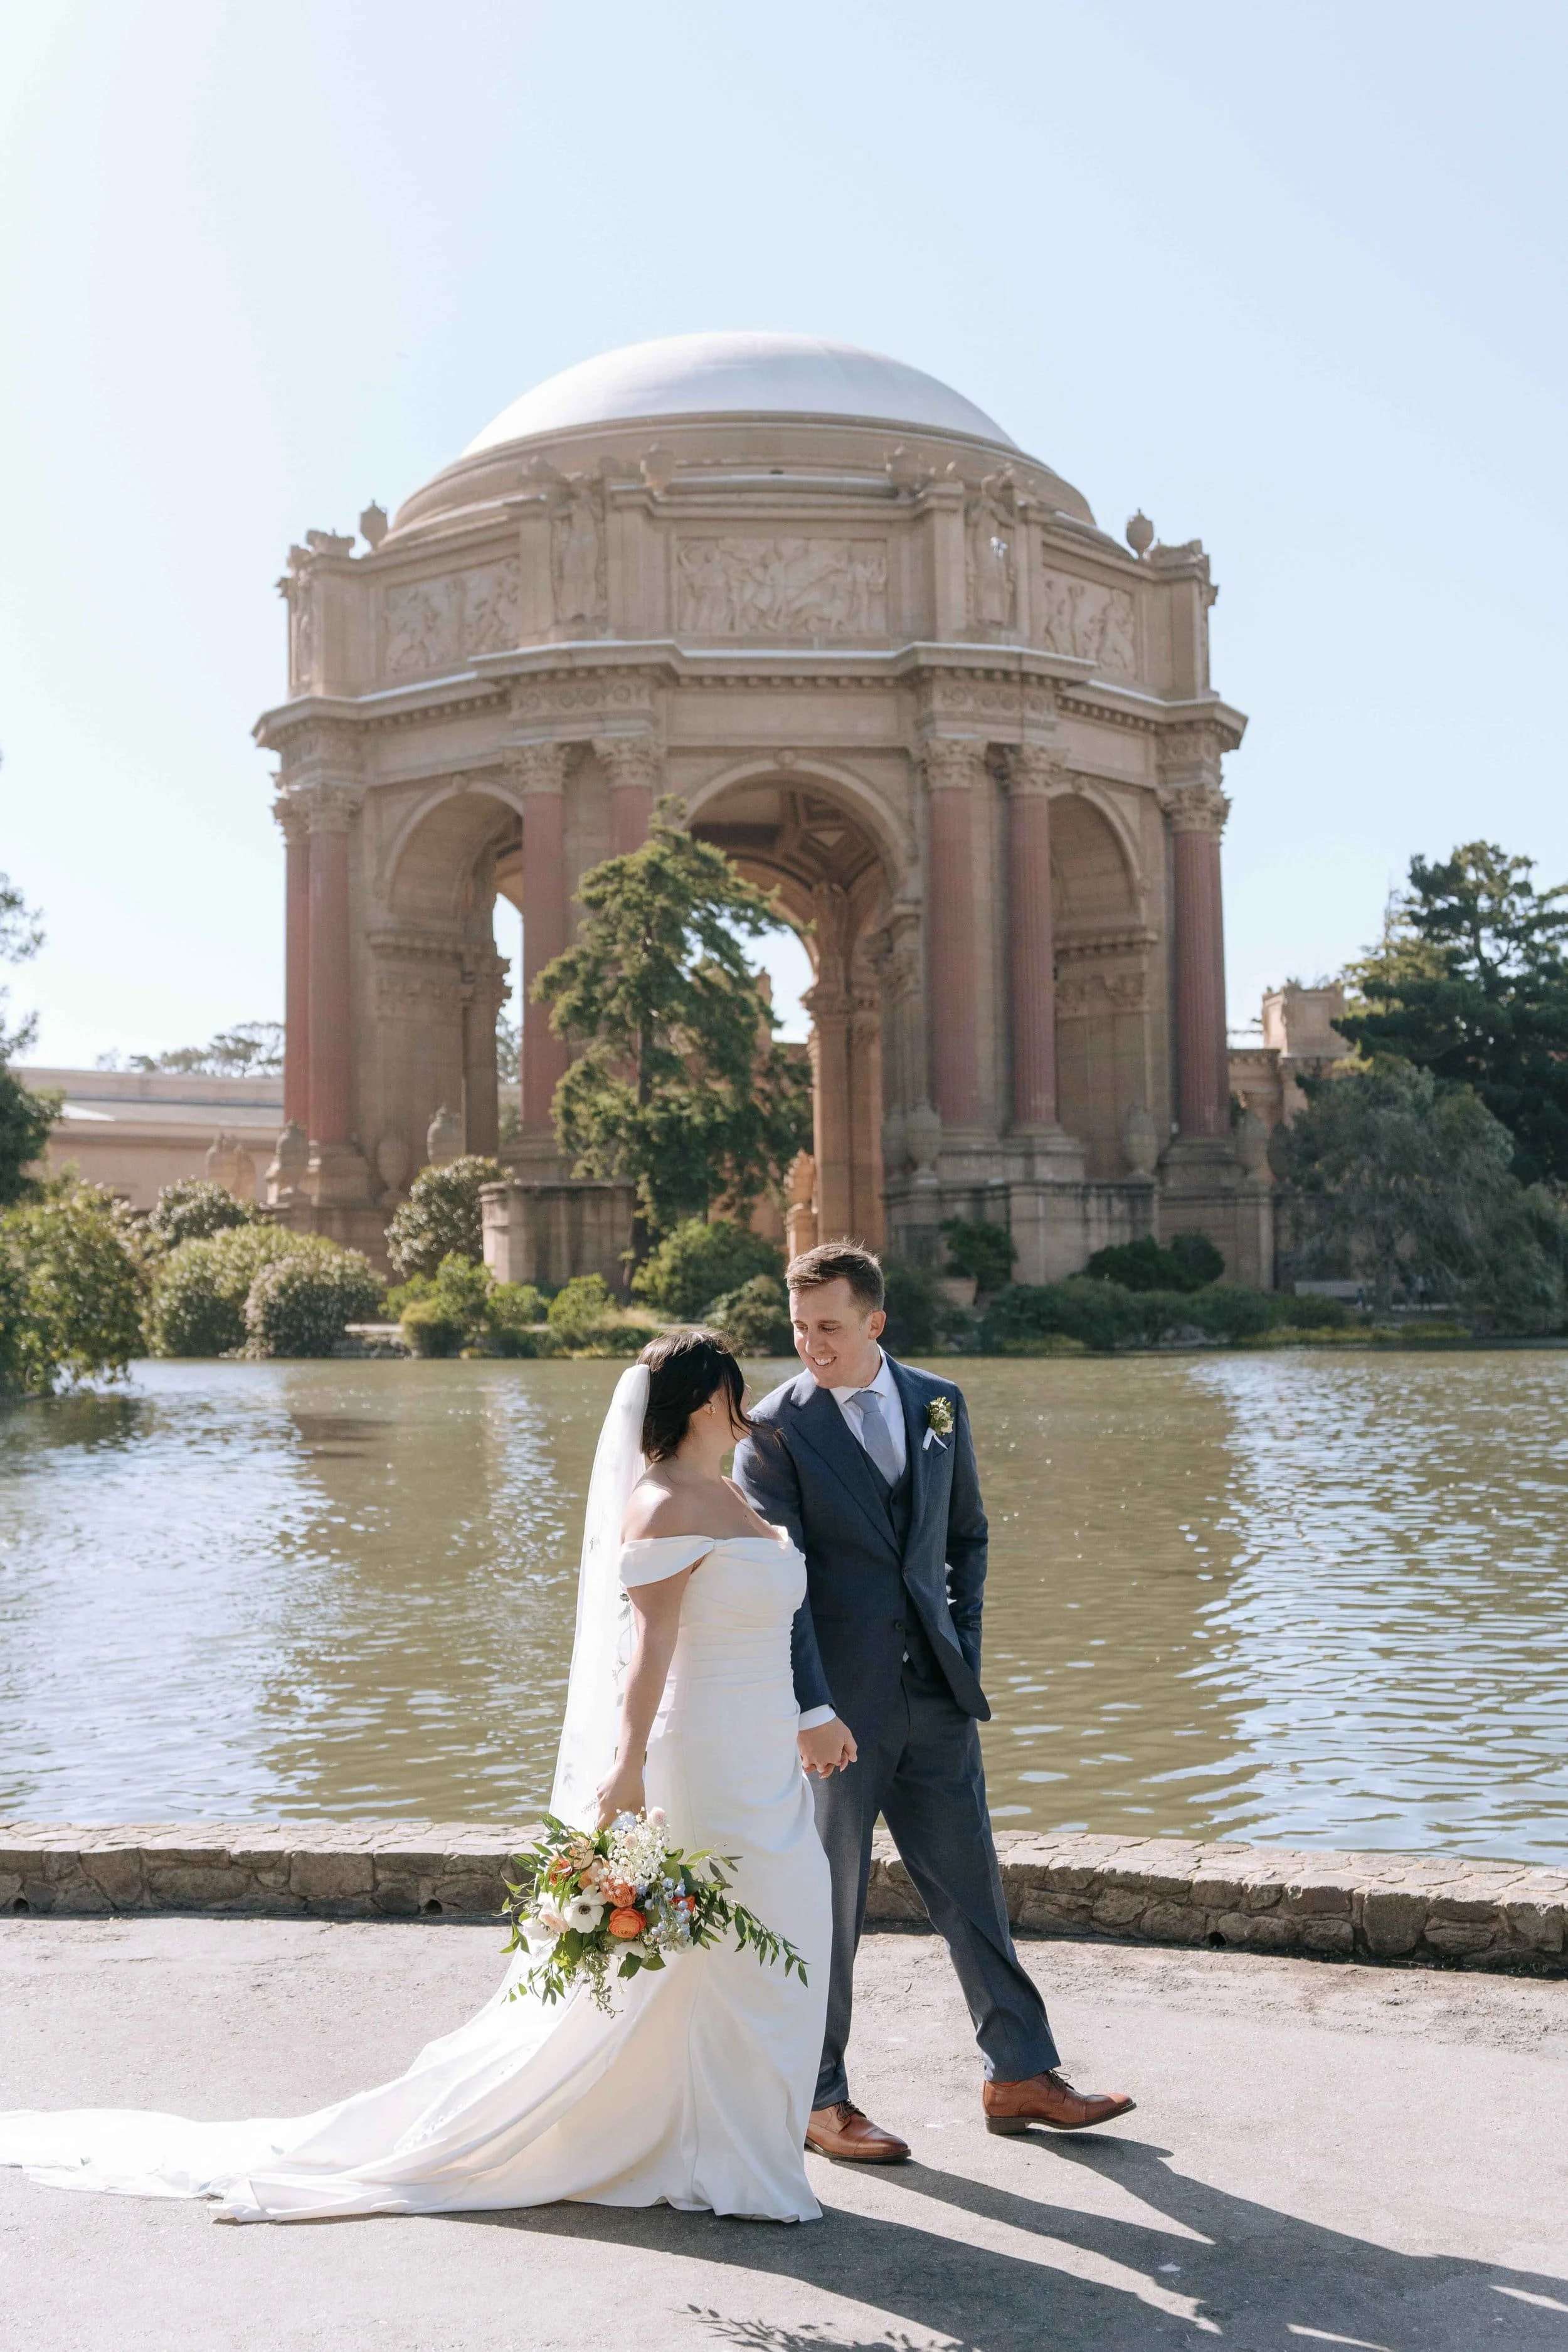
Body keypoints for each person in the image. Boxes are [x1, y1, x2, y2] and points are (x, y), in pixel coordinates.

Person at [0, 1331, 832, 2224]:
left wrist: (808, 1718)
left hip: (764, 1756)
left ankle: (726, 2142)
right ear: (712, 1396)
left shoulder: (731, 1493)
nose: (745, 1404)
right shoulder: (664, 1502)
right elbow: (650, 1653)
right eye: (736, 1388)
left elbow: (764, 1631)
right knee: (732, 1952)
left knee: (779, 1938)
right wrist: (625, 1769)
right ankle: (731, 2162)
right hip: (702, 1758)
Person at [734, 1242, 1134, 2162]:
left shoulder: (941, 1402)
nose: (811, 1344)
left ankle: (1020, 2073)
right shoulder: (774, 1428)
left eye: (829, 1326)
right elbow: (775, 1582)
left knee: (975, 1890)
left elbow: (969, 1538)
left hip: (936, 1695)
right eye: (799, 1327)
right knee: (828, 1906)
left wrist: (963, 1649)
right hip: (835, 1716)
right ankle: (820, 2097)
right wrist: (809, 1707)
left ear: (876, 1322)